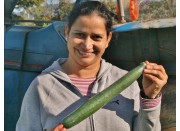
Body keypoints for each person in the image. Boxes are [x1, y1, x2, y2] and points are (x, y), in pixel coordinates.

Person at [16, 1, 168, 131]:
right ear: (67, 33)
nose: (87, 45)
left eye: (96, 37)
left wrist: (149, 98)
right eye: (79, 35)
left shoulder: (125, 82)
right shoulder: (42, 86)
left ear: (108, 39)